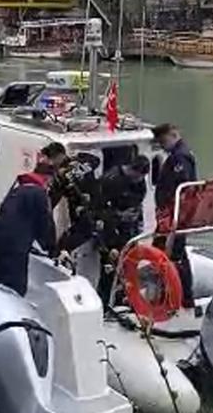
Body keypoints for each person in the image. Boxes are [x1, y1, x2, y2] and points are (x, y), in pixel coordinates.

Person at [59, 156, 150, 304]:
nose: (139, 180)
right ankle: (104, 300)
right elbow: (97, 208)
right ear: (132, 170)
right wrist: (118, 215)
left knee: (125, 262)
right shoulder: (111, 180)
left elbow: (138, 201)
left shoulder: (138, 184)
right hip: (108, 227)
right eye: (138, 176)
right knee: (109, 263)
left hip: (126, 227)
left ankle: (120, 297)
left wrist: (133, 217)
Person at [0, 163, 57, 296]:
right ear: (47, 178)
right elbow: (44, 223)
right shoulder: (39, 193)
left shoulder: (17, 189)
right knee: (15, 288)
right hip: (15, 246)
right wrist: (52, 248)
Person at [152, 123, 197, 308]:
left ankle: (179, 297)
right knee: (174, 253)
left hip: (175, 215)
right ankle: (178, 296)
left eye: (163, 142)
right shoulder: (179, 154)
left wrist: (170, 213)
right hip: (173, 214)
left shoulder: (180, 157)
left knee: (172, 255)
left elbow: (182, 186)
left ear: (173, 135)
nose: (163, 147)